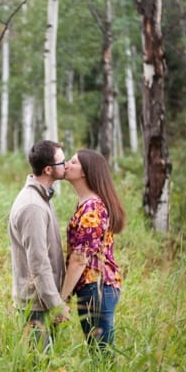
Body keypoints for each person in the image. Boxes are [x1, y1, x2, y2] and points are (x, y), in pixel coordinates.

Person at [60, 149, 126, 354]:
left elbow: (79, 259)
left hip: (97, 286)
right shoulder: (86, 205)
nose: (66, 165)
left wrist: (61, 298)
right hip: (92, 286)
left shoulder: (92, 209)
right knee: (98, 352)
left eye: (72, 162)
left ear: (84, 172)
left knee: (102, 354)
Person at [8, 140, 71, 352]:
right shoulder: (33, 206)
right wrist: (56, 304)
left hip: (43, 301)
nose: (67, 165)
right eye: (62, 162)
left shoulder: (42, 197)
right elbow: (39, 263)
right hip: (37, 305)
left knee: (47, 364)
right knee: (40, 368)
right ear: (48, 170)